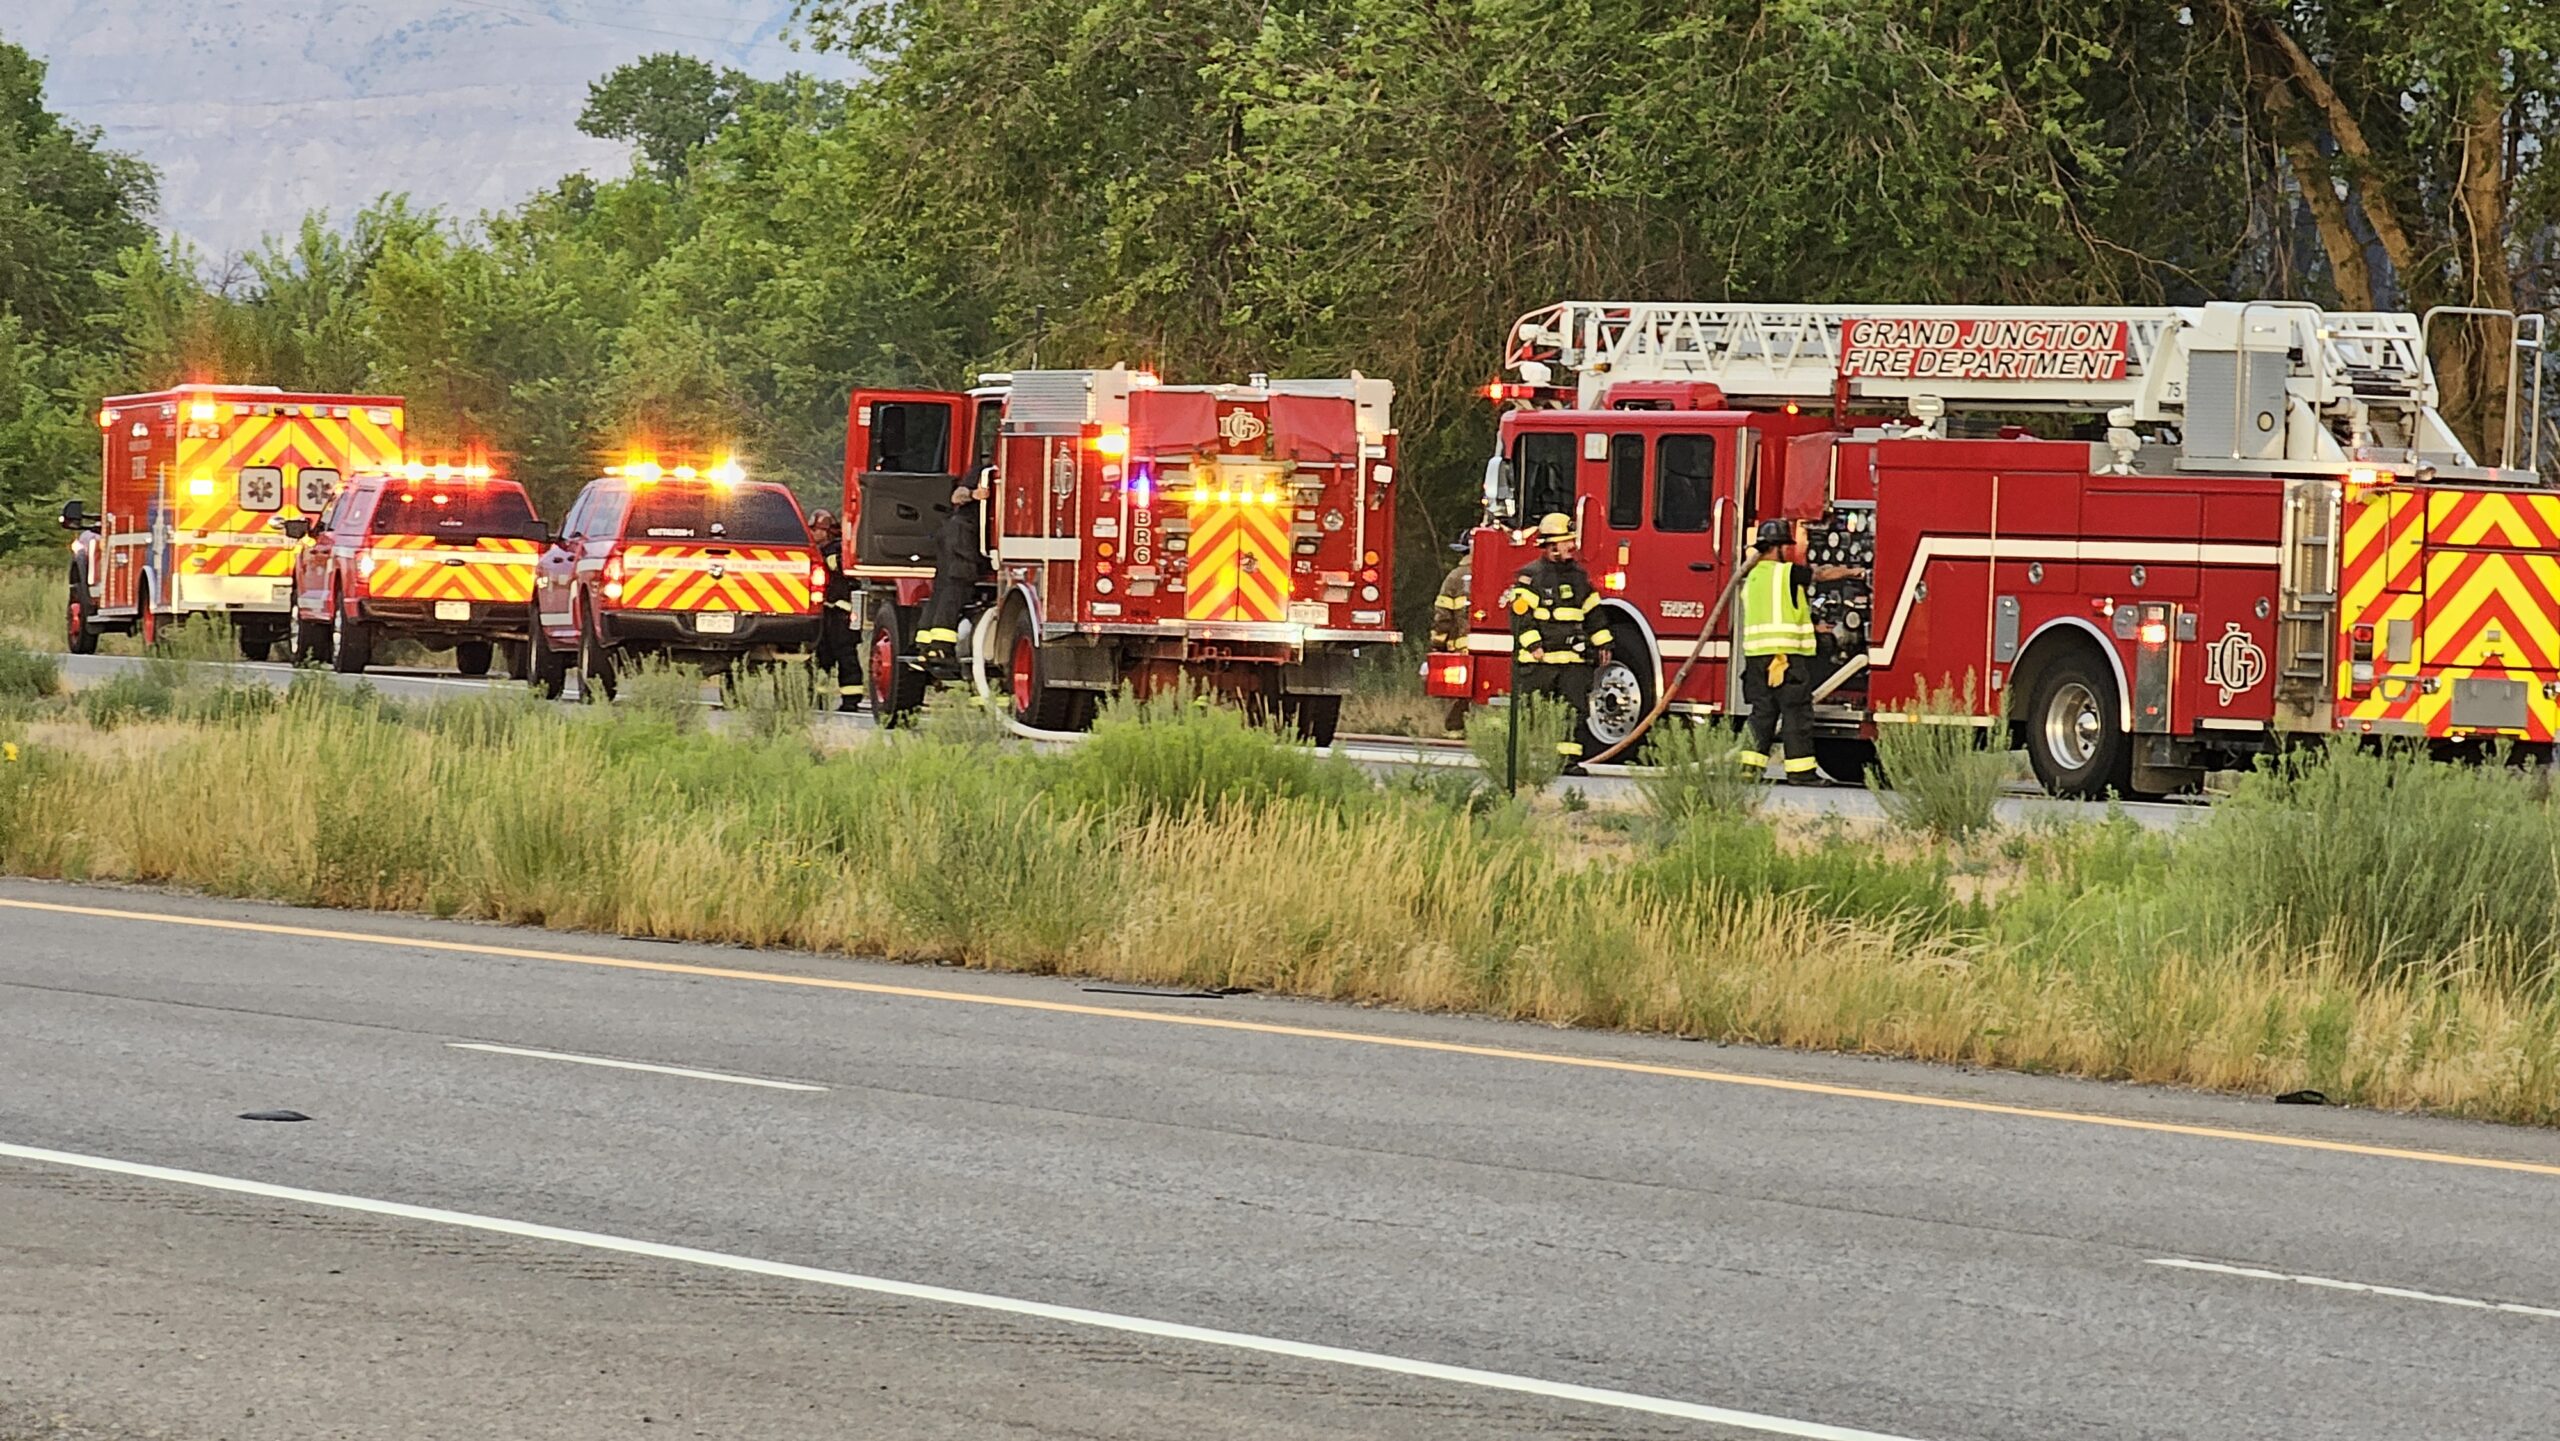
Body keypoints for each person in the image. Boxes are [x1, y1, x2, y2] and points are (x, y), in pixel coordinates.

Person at [1737, 518, 1854, 783]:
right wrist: (1854, 572)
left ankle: (1749, 770)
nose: (1789, 552)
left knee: (1762, 713)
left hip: (1757, 659)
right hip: (1785, 658)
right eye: (1786, 547)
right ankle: (1801, 772)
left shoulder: (1752, 577)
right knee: (1796, 713)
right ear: (1776, 548)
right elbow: (1821, 574)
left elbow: (1778, 611)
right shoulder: (1785, 573)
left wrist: (1814, 626)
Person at [1506, 512, 1611, 776]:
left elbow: (1593, 614)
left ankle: (1568, 761)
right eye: (1567, 541)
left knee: (1573, 712)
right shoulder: (1531, 577)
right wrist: (1533, 646)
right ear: (1552, 544)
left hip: (1573, 661)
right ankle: (1518, 760)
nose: (1572, 546)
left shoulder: (1579, 577)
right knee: (1531, 712)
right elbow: (1520, 617)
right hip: (1539, 662)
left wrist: (1604, 644)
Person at [915, 475, 988, 660]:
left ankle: (925, 644)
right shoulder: (981, 472)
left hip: (954, 533)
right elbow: (957, 496)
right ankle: (940, 646)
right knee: (957, 584)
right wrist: (975, 494)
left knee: (943, 586)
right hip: (962, 535)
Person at [807, 509, 859, 711]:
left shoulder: (840, 549)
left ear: (827, 531)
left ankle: (851, 700)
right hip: (824, 614)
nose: (812, 533)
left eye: (816, 530)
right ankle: (819, 699)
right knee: (821, 657)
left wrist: (820, 557)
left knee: (846, 656)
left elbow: (838, 565)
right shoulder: (819, 549)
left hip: (841, 615)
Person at [1427, 555, 1473, 734]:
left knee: (1458, 695)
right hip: (1493, 647)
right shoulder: (1502, 571)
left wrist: (1437, 644)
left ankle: (1455, 731)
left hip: (1460, 650)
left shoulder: (1454, 578)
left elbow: (1443, 616)